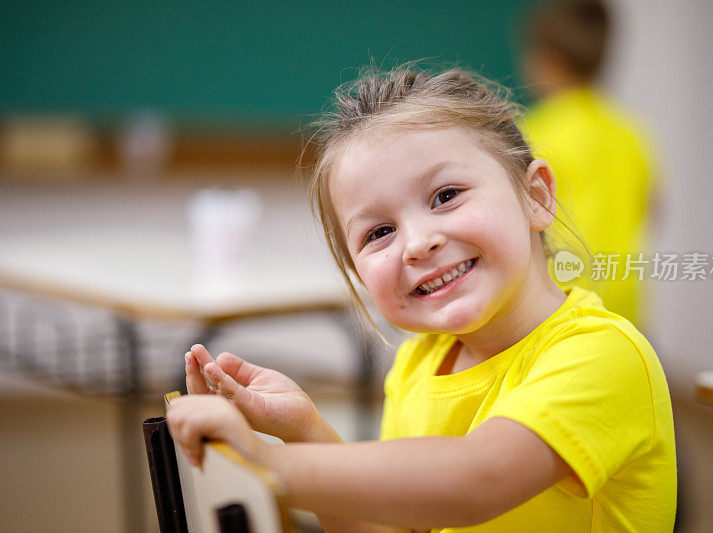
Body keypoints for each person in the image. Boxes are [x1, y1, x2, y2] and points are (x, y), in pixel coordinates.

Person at [167, 65, 676, 532]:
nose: (417, 243)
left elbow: (477, 481)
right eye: (379, 232)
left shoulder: (604, 355)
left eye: (446, 196)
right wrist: (304, 431)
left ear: (536, 196)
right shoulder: (418, 366)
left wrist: (265, 463)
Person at [521, 0, 657, 329]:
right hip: (624, 306)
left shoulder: (537, 132)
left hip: (561, 304)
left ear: (547, 58)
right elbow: (651, 205)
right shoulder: (630, 131)